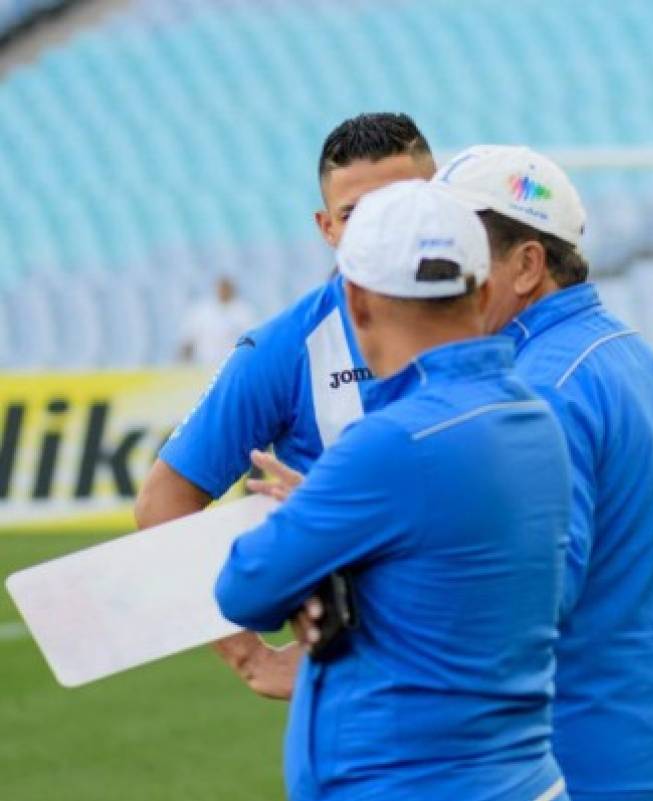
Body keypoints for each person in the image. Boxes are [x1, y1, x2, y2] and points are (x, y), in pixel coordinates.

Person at [215, 180, 571, 801]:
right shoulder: (533, 416)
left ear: (354, 301)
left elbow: (246, 588)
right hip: (520, 778)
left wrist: (319, 515)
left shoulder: (388, 446)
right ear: (483, 290)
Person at [437, 145, 653, 801]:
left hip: (567, 766)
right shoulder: (637, 360)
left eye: (458, 250)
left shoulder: (538, 388)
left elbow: (527, 602)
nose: (440, 273)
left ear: (528, 265)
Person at [134, 112, 437, 696]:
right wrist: (253, 659)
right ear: (327, 227)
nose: (381, 228)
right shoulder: (285, 349)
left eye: (400, 202)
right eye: (355, 214)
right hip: (366, 692)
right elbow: (163, 501)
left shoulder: (498, 321)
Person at [177, 275, 257, 365]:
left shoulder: (243, 312)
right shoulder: (202, 311)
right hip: (203, 368)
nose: (223, 291)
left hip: (231, 367)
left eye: (226, 288)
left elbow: (251, 342)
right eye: (221, 288)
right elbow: (188, 341)